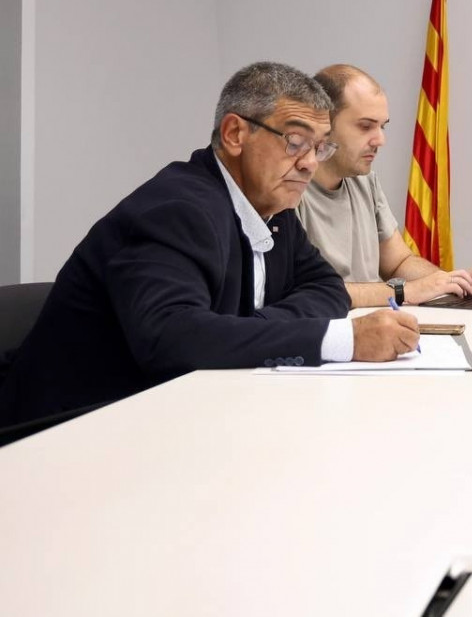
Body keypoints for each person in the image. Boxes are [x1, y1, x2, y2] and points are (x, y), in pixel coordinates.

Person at [0, 62, 420, 427]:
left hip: (178, 416)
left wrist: (247, 328)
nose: (310, 162)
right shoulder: (177, 210)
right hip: (67, 432)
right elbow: (172, 338)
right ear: (235, 134)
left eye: (319, 146)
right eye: (295, 142)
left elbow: (326, 288)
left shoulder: (275, 209)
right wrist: (341, 340)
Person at [296, 64, 472, 309]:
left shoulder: (364, 181)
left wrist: (453, 280)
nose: (380, 140)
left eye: (382, 126)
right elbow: (310, 292)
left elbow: (398, 262)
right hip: (332, 328)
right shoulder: (289, 190)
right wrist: (407, 291)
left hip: (377, 324)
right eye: (365, 126)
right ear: (323, 124)